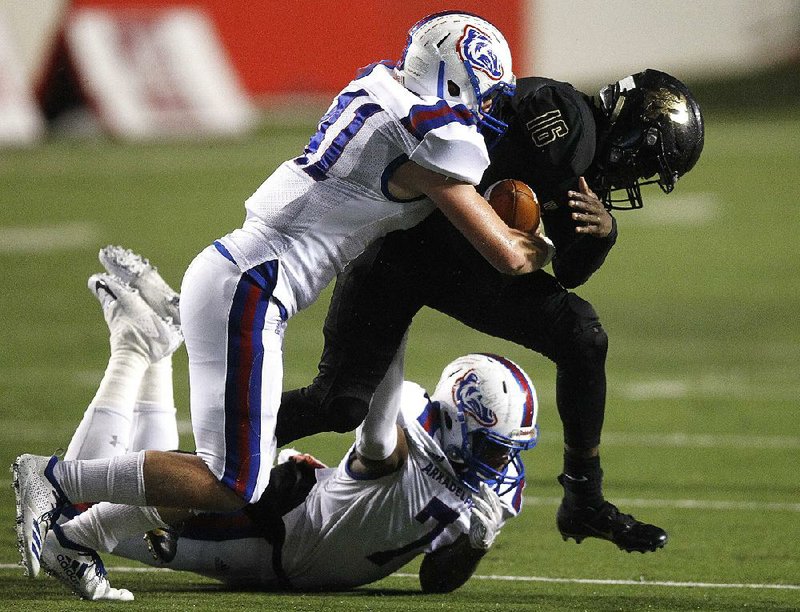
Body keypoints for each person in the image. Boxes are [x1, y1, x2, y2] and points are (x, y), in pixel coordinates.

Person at [13, 11, 555, 584]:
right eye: (484, 94)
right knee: (232, 482)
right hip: (254, 285)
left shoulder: (386, 91)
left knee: (228, 470)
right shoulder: (431, 142)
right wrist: (543, 239)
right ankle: (58, 480)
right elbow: (511, 256)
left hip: (243, 274)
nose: (489, 111)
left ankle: (77, 526)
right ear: (452, 79)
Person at [274, 69, 706, 553]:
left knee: (582, 335)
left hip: (459, 263)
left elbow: (569, 270)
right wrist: (568, 218)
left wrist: (603, 233)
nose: (637, 173)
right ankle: (222, 451)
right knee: (339, 403)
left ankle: (584, 497)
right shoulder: (561, 114)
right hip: (397, 249)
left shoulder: (576, 148)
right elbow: (530, 128)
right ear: (630, 131)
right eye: (645, 158)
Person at [28, 258, 538, 599]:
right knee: (80, 515)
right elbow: (379, 440)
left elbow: (435, 580)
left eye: (504, 450)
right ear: (452, 425)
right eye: (491, 448)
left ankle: (148, 350)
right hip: (275, 529)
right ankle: (134, 354)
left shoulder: (492, 488)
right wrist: (391, 324)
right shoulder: (408, 433)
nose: (501, 462)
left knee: (142, 490)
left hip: (294, 537)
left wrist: (475, 544)